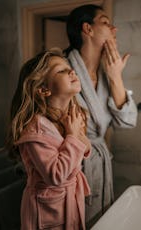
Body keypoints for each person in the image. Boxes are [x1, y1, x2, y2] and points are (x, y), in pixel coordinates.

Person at [64, 4, 138, 226]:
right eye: (106, 22)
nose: (114, 29)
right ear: (88, 29)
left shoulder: (108, 73)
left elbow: (127, 122)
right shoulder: (60, 69)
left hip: (99, 165)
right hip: (69, 168)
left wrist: (116, 76)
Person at [6, 48, 91, 230]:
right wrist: (73, 136)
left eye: (69, 68)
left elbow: (85, 149)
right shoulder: (36, 129)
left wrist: (75, 133)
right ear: (43, 89)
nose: (72, 71)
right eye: (61, 71)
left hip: (71, 203)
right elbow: (56, 175)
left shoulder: (72, 116)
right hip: (47, 212)